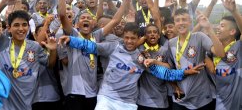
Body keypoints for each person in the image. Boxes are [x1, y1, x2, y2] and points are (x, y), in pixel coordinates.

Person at [59, 22, 205, 110]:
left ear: (138, 39)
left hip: (128, 103)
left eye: (133, 38)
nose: (129, 41)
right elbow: (89, 45)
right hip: (107, 99)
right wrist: (70, 40)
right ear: (123, 37)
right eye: (127, 38)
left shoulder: (142, 58)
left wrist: (185, 72)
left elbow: (164, 73)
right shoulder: (113, 47)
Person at [0, 0, 58, 110]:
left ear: (28, 27)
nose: (21, 29)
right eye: (16, 25)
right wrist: (3, 3)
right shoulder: (3, 42)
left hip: (27, 105)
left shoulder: (35, 46)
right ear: (9, 28)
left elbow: (50, 64)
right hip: (4, 105)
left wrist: (53, 51)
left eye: (24, 25)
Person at [168, 8, 225, 109]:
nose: (181, 23)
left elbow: (220, 53)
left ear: (190, 22)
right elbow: (170, 69)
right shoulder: (171, 43)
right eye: (178, 20)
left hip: (201, 99)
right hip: (181, 99)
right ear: (174, 23)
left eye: (184, 19)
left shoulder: (199, 37)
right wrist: (175, 86)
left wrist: (209, 29)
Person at [212, 0, 242, 110]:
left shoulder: (239, 47)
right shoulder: (213, 49)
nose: (218, 28)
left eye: (222, 26)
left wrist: (234, 11)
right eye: (218, 25)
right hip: (217, 103)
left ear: (232, 31)